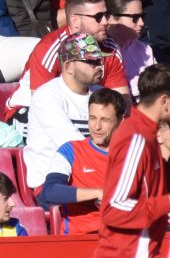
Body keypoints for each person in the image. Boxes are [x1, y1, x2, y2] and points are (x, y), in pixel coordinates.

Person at [93, 63, 170, 258]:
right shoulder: (136, 139)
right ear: (164, 102)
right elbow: (114, 208)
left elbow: (163, 188)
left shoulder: (145, 134)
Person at [23, 32, 112, 195]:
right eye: (91, 61)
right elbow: (73, 146)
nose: (99, 66)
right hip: (53, 184)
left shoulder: (101, 94)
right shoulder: (47, 95)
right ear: (68, 66)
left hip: (94, 176)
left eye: (100, 60)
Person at [37, 86, 126, 235]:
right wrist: (98, 193)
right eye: (92, 118)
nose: (97, 127)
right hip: (81, 238)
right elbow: (50, 191)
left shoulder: (135, 154)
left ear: (121, 121)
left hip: (124, 236)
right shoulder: (70, 151)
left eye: (105, 120)